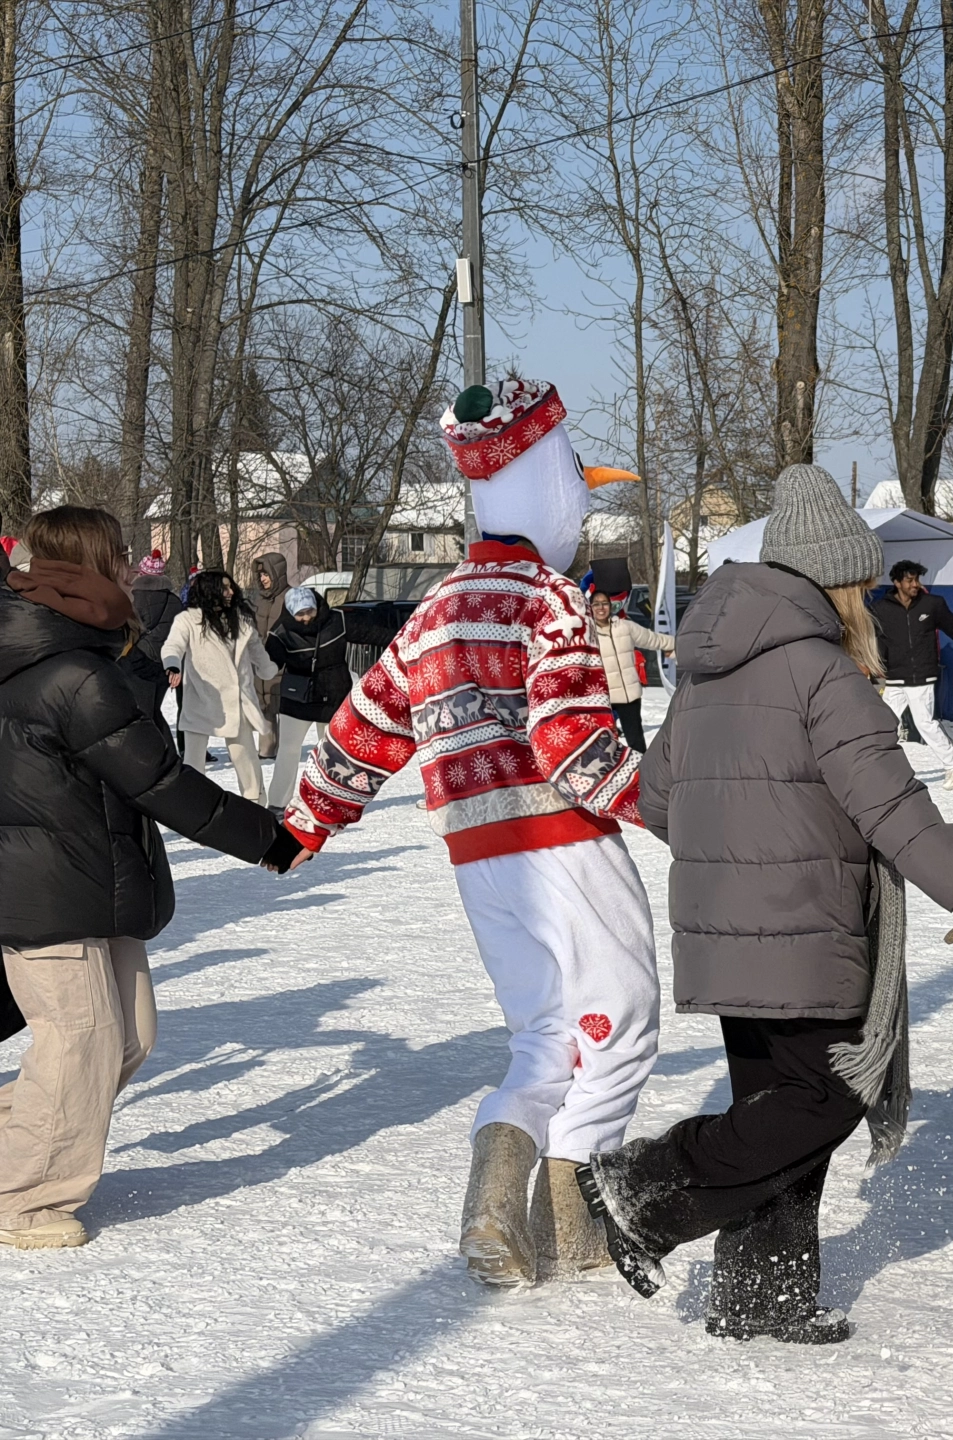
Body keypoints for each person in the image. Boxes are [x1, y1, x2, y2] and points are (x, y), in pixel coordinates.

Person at [584, 464, 953, 1344]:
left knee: (774, 1110)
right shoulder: (824, 674)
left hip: (724, 932)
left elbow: (657, 798)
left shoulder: (703, 672)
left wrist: (732, 855)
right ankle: (646, 1190)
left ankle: (762, 1297)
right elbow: (892, 807)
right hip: (806, 925)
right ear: (836, 580)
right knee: (826, 1099)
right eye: (865, 578)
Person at [285, 376, 660, 1288]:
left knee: (544, 1035)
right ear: (551, 485)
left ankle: (494, 1204)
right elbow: (569, 738)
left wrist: (308, 820)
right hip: (559, 840)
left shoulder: (435, 608)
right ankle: (574, 1227)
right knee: (625, 1023)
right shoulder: (548, 599)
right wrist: (668, 806)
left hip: (475, 854)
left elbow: (362, 726)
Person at [0, 506, 299, 1250]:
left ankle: (20, 1145)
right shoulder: (69, 671)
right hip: (43, 890)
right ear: (87, 567)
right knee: (84, 1040)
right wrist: (273, 839)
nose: (135, 565)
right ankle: (21, 1196)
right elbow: (162, 780)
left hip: (93, 879)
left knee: (130, 1036)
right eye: (121, 554)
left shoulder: (76, 653)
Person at [262, 586, 400, 810]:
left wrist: (401, 639)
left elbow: (372, 634)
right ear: (290, 612)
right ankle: (277, 804)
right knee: (288, 750)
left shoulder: (337, 620)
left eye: (310, 611)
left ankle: (329, 800)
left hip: (333, 695)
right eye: (300, 614)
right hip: (298, 699)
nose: (306, 618)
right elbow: (268, 666)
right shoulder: (280, 633)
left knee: (332, 752)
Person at [160, 569, 276, 802]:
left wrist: (269, 670)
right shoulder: (188, 621)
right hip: (202, 699)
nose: (231, 592)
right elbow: (172, 646)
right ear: (209, 591)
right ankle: (197, 814)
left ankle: (255, 808)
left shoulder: (241, 621)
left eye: (230, 586)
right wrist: (173, 665)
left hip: (237, 701)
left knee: (245, 759)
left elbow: (258, 654)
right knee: (194, 762)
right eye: (224, 588)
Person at [869, 557, 953, 790]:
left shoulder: (932, 604)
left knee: (924, 723)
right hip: (895, 677)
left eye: (917, 579)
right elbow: (875, 640)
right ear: (897, 582)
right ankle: (882, 772)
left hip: (921, 676)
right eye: (909, 580)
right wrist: (873, 664)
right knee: (885, 722)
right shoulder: (881, 609)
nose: (915, 584)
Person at [588, 588, 673, 754]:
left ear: (611, 606)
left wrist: (675, 644)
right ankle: (610, 775)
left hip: (629, 695)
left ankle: (642, 774)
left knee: (635, 740)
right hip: (604, 698)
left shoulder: (625, 627)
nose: (601, 607)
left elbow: (652, 639)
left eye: (604, 603)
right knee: (606, 742)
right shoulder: (587, 633)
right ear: (590, 607)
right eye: (596, 604)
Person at [123, 548, 182, 740]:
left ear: (142, 573)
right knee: (154, 708)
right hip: (166, 661)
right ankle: (164, 750)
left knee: (142, 711)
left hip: (139, 659)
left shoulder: (132, 598)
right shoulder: (175, 601)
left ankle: (155, 752)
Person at [251, 551, 290, 759]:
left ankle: (285, 747)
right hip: (261, 658)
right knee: (264, 704)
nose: (263, 579)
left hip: (282, 659)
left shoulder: (289, 596)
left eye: (267, 574)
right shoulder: (259, 599)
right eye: (261, 575)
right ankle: (266, 748)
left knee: (282, 705)